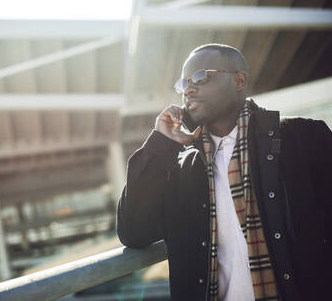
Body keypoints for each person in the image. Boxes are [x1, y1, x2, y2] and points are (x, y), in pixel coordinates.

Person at [116, 43, 332, 301]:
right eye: (183, 84)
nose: (189, 89)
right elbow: (133, 232)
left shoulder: (303, 140)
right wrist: (161, 143)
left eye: (200, 77)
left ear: (239, 81)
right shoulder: (181, 172)